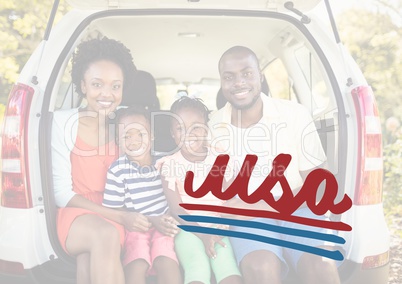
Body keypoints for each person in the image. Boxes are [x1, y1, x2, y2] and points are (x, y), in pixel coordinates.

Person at [208, 46, 340, 284]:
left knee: (321, 265)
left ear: (261, 76)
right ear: (222, 82)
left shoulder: (294, 114)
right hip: (250, 220)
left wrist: (265, 205)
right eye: (229, 77)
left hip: (300, 208)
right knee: (260, 266)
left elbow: (319, 185)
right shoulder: (213, 126)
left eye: (247, 73)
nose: (239, 82)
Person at [52, 37, 149, 284]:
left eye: (116, 86)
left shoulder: (124, 126)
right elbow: (61, 194)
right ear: (83, 85)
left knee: (88, 259)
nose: (107, 94)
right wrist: (119, 217)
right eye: (97, 84)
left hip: (114, 212)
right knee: (103, 235)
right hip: (75, 213)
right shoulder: (62, 124)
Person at [159, 97, 243, 284]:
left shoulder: (220, 157)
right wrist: (203, 234)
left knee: (227, 266)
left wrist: (222, 226)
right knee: (197, 267)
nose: (189, 133)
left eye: (196, 127)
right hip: (188, 228)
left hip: (219, 225)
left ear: (206, 127)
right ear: (173, 134)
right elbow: (177, 209)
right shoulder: (170, 165)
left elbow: (230, 199)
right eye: (180, 128)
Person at [103, 106, 182, 284]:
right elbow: (114, 208)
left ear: (152, 136)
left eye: (141, 134)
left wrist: (169, 217)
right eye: (127, 136)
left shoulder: (165, 162)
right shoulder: (118, 170)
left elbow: (178, 196)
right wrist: (145, 219)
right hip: (135, 228)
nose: (134, 141)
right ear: (118, 141)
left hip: (165, 224)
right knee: (137, 263)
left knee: (166, 262)